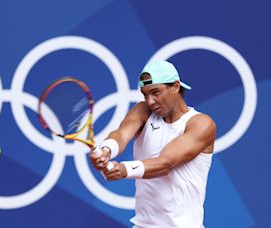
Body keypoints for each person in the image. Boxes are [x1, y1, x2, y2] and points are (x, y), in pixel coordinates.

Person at [90, 60, 216, 228]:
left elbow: (166, 163)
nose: (150, 101)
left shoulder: (201, 123)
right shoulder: (143, 111)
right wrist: (107, 149)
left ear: (175, 86)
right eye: (145, 94)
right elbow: (121, 134)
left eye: (155, 92)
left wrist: (124, 169)